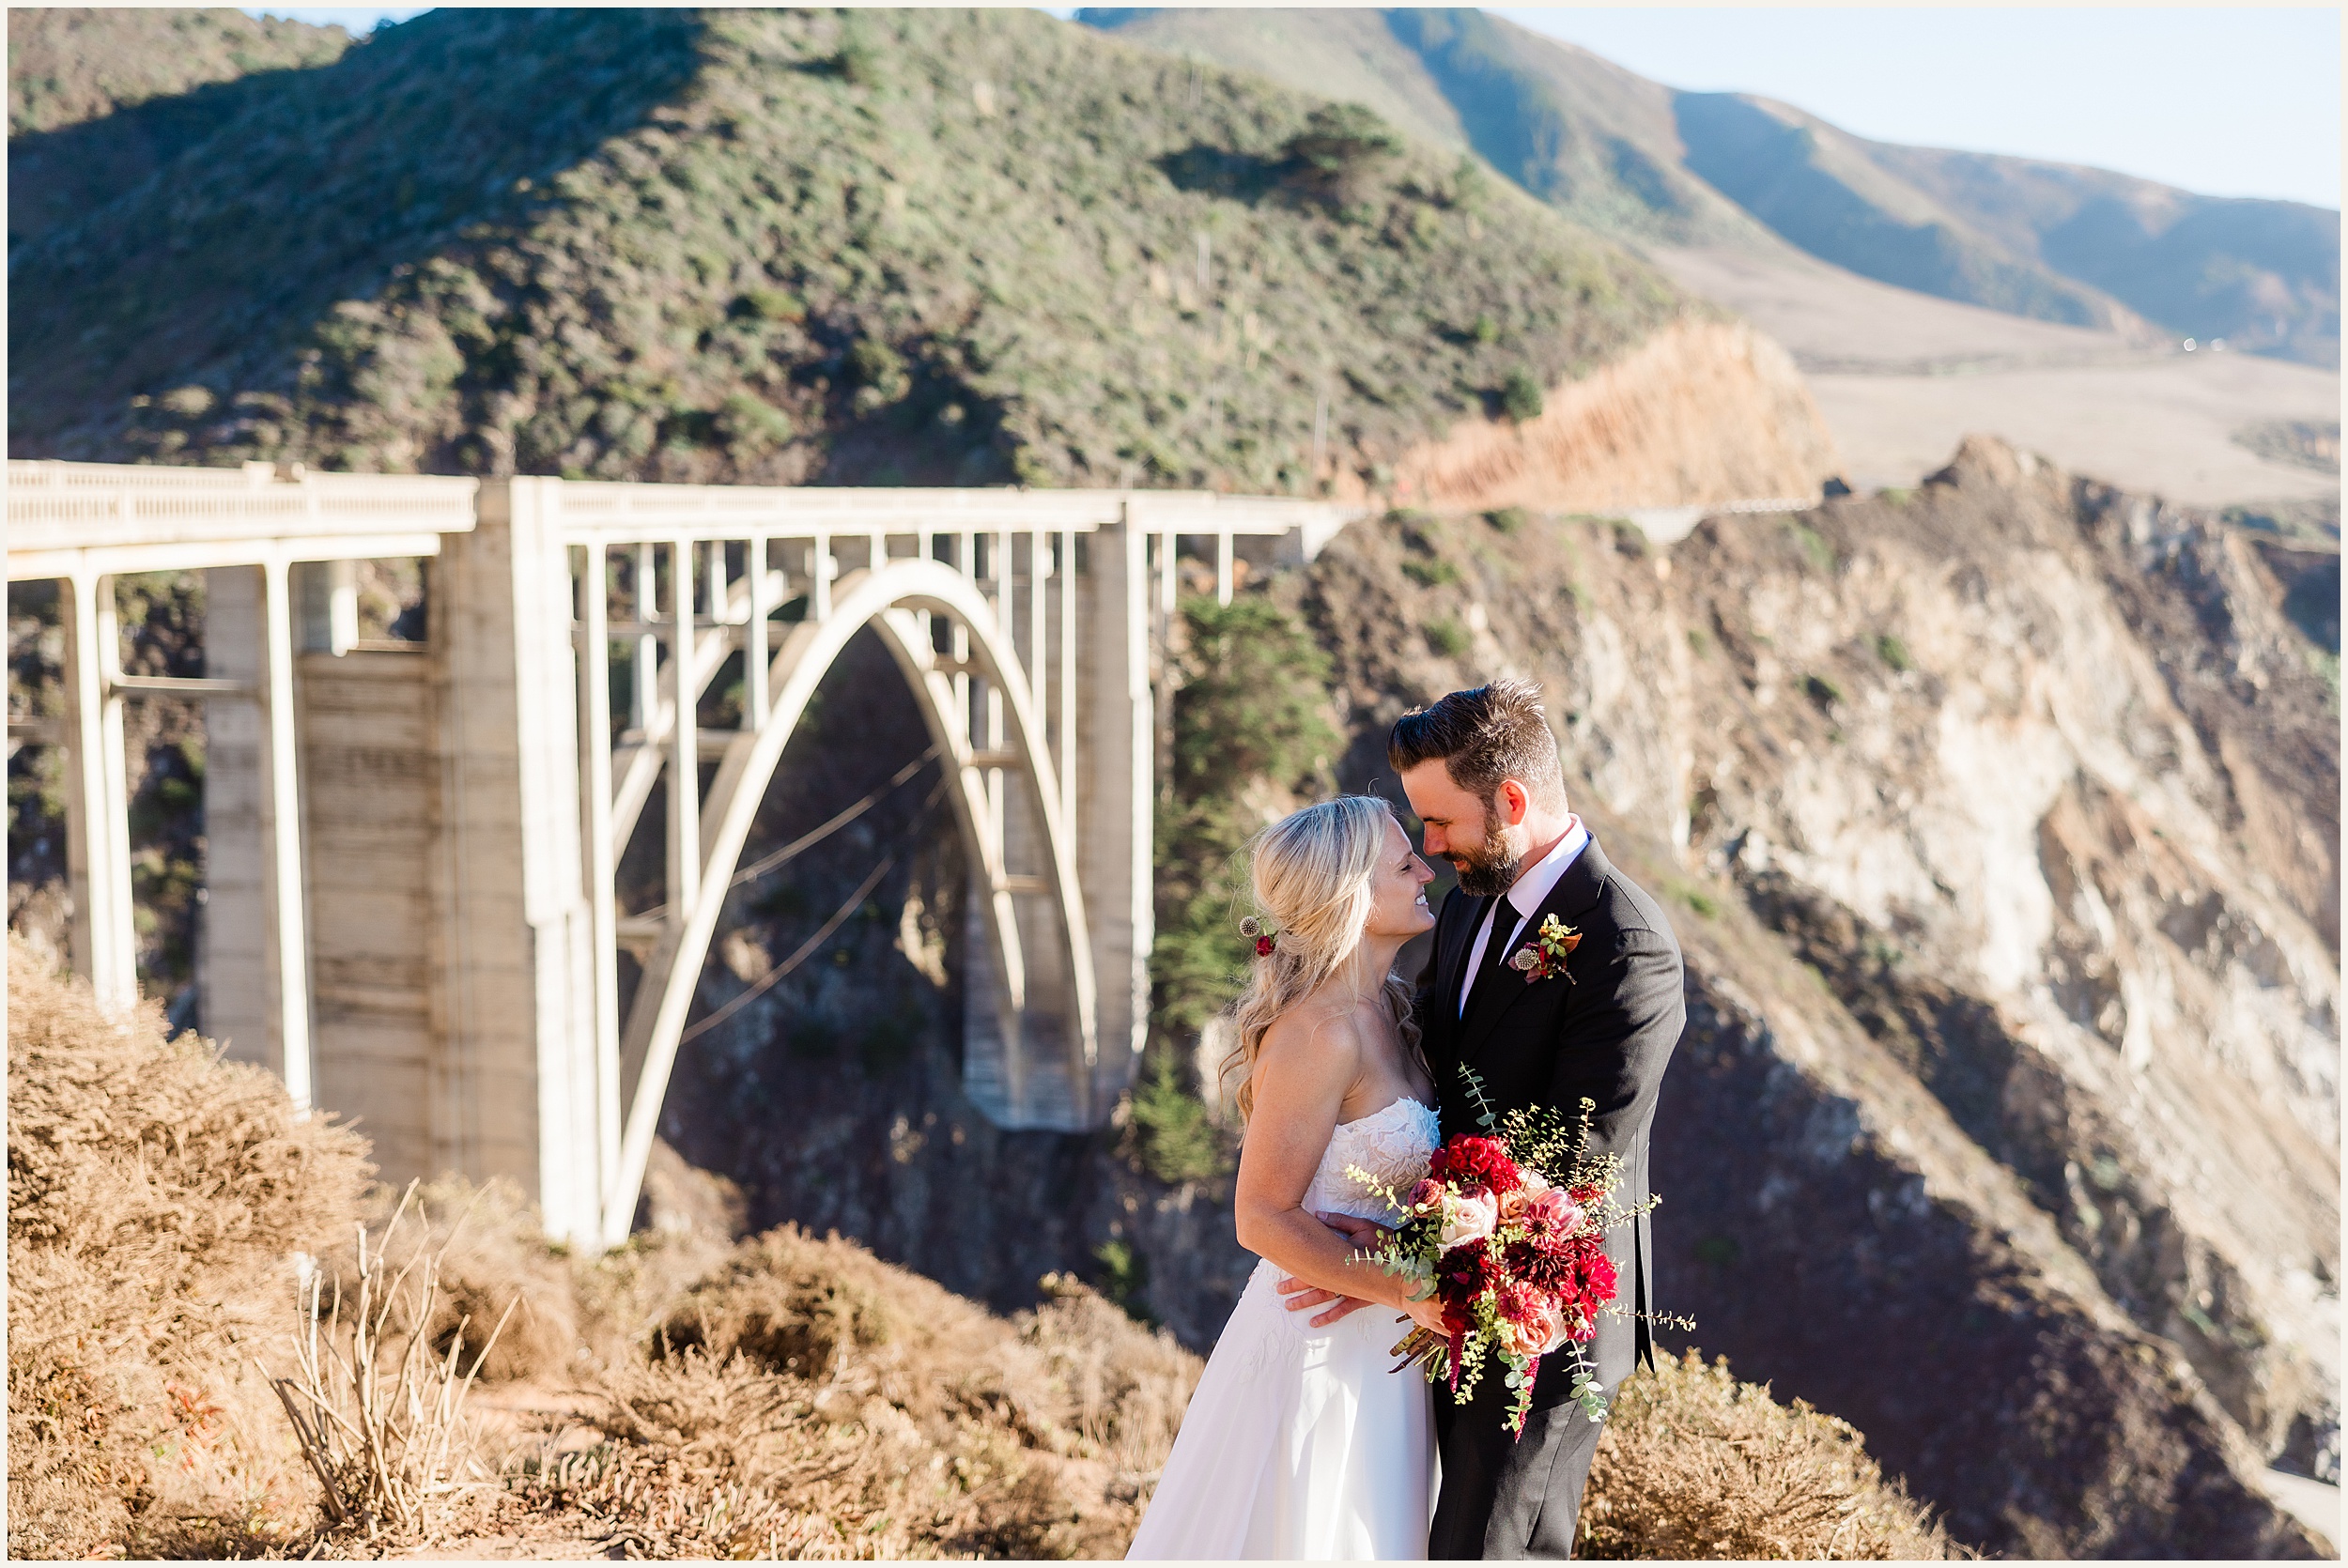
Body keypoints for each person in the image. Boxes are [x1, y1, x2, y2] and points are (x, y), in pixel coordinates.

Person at [1277, 679, 1684, 1559]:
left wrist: (1390, 1255)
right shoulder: (1465, 903)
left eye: (1441, 822)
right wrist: (1374, 1254)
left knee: (1484, 1549)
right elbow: (1427, 1085)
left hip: (1536, 1321)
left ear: (1511, 800)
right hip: (1431, 1303)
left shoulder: (1626, 944)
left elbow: (1577, 1159)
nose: (1429, 848)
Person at [1125, 795, 1448, 1560]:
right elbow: (1262, 1216)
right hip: (1324, 1356)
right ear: (1356, 898)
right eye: (1405, 864)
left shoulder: (1391, 1012)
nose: (1426, 870)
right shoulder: (1320, 1033)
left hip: (1387, 1350)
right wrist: (1411, 1289)